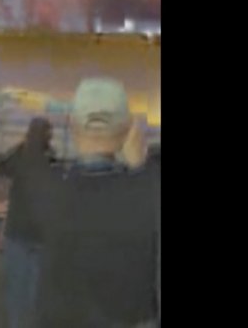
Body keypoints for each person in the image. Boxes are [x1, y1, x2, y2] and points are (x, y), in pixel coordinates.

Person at [21, 78, 160, 328]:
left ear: (72, 125)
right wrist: (141, 167)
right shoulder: (148, 192)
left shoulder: (46, 191)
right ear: (129, 130)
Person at [0, 117, 59, 328]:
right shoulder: (51, 159)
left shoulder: (19, 156)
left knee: (16, 289)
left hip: (18, 231)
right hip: (42, 234)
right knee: (36, 291)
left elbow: (0, 168)